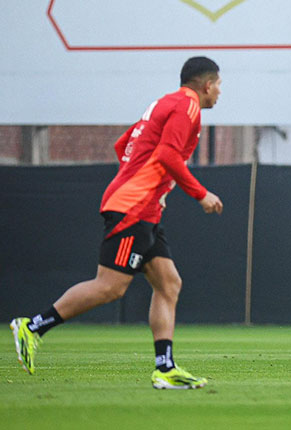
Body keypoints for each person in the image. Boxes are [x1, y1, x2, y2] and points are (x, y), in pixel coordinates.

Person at [10, 56, 224, 389]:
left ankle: (164, 368)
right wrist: (200, 194)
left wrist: (139, 179)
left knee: (169, 284)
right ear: (207, 84)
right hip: (134, 207)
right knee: (110, 287)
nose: (220, 93)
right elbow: (167, 155)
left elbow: (122, 145)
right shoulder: (188, 107)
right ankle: (33, 326)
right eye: (219, 85)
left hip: (144, 207)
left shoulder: (165, 103)